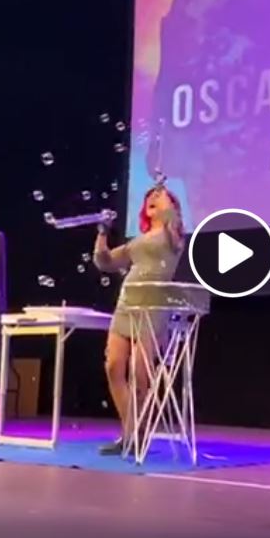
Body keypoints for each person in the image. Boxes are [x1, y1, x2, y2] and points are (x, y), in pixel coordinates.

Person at [92, 185, 184, 455]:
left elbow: (171, 218)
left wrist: (164, 198)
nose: (153, 198)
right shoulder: (137, 241)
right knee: (113, 366)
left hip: (153, 307)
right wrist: (102, 232)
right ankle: (130, 433)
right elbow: (105, 262)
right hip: (126, 305)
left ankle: (137, 435)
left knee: (140, 373)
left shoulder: (173, 235)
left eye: (159, 196)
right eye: (149, 197)